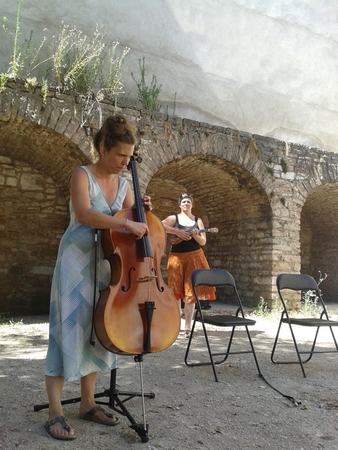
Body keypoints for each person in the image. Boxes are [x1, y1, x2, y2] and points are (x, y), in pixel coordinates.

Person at [43, 114, 152, 440]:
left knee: (96, 331)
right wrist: (125, 223)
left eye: (129, 157)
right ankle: (55, 412)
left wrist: (142, 210)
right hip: (76, 264)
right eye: (120, 155)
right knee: (66, 332)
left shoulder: (125, 185)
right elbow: (84, 214)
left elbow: (135, 221)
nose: (124, 162)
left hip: (107, 266)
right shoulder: (82, 174)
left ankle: (88, 403)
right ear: (104, 148)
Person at [161, 193, 216, 337]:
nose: (186, 204)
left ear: (192, 204)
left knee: (190, 293)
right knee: (175, 291)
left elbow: (203, 242)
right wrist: (176, 231)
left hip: (194, 257)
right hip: (176, 258)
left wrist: (196, 234)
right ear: (180, 205)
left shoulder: (198, 221)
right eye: (184, 202)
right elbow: (160, 225)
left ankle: (187, 328)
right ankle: (175, 325)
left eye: (189, 202)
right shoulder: (174, 218)